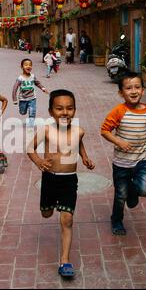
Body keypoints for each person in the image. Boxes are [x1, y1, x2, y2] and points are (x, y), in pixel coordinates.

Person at [27, 89, 95, 277]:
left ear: (75, 110)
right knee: (47, 213)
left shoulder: (79, 131)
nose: (65, 112)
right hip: (50, 179)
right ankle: (51, 206)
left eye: (70, 108)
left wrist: (85, 158)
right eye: (59, 108)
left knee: (67, 220)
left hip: (69, 180)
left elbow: (79, 144)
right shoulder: (46, 130)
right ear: (51, 112)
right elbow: (29, 148)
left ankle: (65, 262)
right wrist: (39, 161)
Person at [101, 72, 146, 235]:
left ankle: (133, 191)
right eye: (128, 88)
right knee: (120, 196)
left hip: (141, 161)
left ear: (143, 90)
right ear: (121, 93)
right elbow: (105, 130)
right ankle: (116, 220)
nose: (134, 91)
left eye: (137, 87)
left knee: (145, 190)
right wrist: (119, 141)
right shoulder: (118, 111)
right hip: (121, 163)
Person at [12, 59, 48, 127]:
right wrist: (14, 99)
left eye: (30, 65)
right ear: (22, 67)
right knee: (22, 112)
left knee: (32, 111)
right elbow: (15, 88)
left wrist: (43, 88)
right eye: (26, 65)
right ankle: (23, 110)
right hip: (23, 99)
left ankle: (31, 125)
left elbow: (37, 83)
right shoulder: (20, 78)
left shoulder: (32, 76)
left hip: (32, 98)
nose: (28, 66)